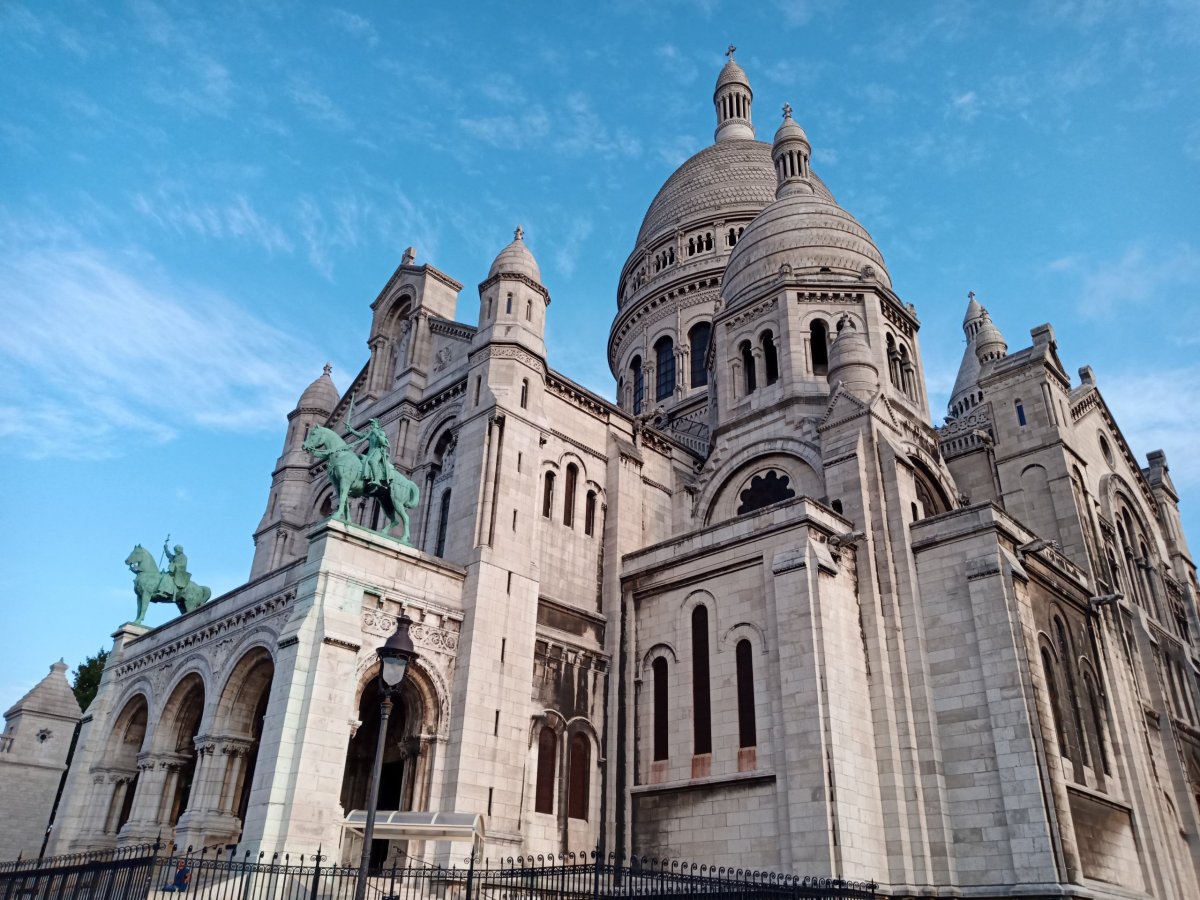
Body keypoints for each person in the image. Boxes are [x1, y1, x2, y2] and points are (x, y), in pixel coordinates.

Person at [347, 418, 391, 491]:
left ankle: (377, 480)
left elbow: (383, 442)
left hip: (378, 451)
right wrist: (351, 430)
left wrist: (376, 433)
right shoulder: (370, 433)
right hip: (370, 452)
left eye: (373, 424)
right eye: (371, 424)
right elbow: (361, 435)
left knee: (372, 461)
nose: (371, 425)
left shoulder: (381, 432)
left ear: (377, 424)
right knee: (360, 459)